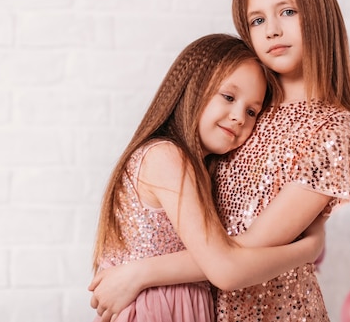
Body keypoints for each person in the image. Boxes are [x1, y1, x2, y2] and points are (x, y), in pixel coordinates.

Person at [89, 0, 350, 321]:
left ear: (318, 14)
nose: (273, 30)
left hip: (274, 311)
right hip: (204, 306)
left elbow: (242, 249)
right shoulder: (248, 111)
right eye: (257, 19)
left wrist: (141, 274)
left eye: (288, 12)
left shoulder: (329, 128)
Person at [90, 33, 327, 322]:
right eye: (228, 97)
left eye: (252, 111)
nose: (239, 117)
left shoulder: (198, 169)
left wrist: (140, 273)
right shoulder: (166, 157)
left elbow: (227, 252)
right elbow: (225, 268)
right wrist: (307, 249)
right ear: (193, 87)